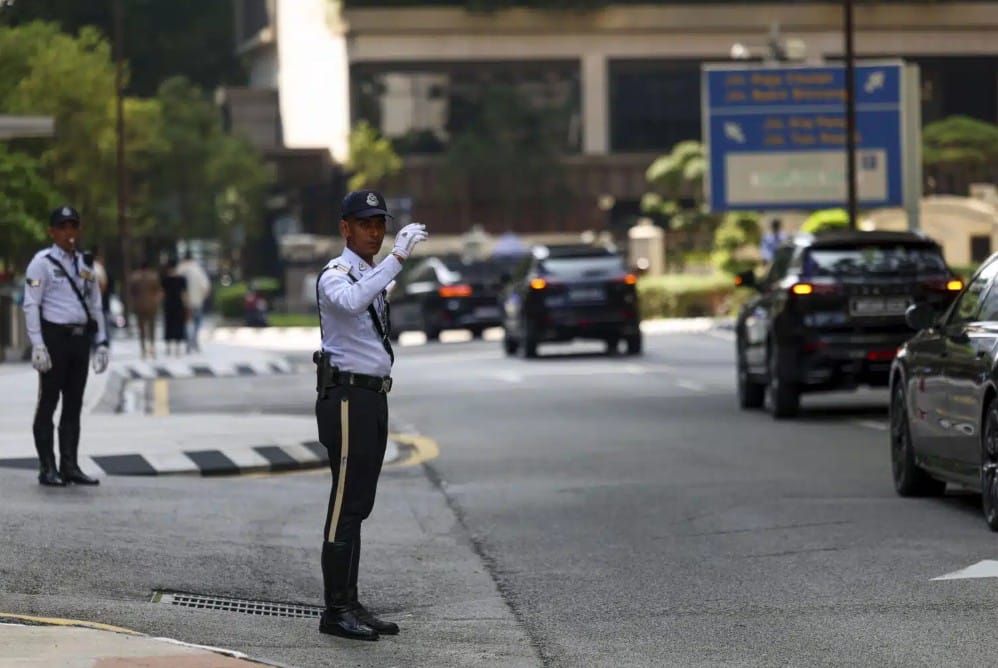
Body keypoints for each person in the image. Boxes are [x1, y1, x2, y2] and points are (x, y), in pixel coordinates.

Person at [314, 190, 427, 641]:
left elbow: (373, 297)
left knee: (359, 506)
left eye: (380, 223)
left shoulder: (369, 273)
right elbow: (354, 301)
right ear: (345, 228)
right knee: (344, 505)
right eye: (364, 224)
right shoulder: (335, 275)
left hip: (371, 398)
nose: (375, 232)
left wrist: (389, 268)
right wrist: (398, 257)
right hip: (346, 399)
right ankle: (334, 610)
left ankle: (351, 601)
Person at [22, 205, 109, 487]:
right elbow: (31, 304)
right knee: (49, 401)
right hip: (54, 337)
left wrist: (102, 342)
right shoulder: (42, 262)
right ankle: (47, 467)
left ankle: (69, 465)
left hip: (79, 339)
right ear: (52, 231)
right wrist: (37, 344)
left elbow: (96, 304)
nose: (69, 233)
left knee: (74, 403)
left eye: (73, 226)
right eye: (63, 227)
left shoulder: (85, 265)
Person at [177, 250, 210, 352]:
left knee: (184, 322)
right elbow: (205, 286)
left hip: (182, 301)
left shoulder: (179, 270)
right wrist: (203, 296)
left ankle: (188, 341)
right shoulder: (198, 269)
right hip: (197, 300)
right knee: (197, 321)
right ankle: (194, 338)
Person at [129, 260, 163, 359]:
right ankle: (152, 347)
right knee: (152, 327)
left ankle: (143, 349)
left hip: (139, 305)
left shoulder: (134, 277)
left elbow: (132, 292)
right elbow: (158, 290)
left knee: (141, 328)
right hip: (151, 305)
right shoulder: (154, 276)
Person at [160, 258, 188, 356]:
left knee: (169, 325)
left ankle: (168, 347)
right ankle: (178, 348)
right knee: (178, 325)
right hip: (178, 304)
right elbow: (184, 294)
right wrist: (186, 304)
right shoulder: (181, 279)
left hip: (168, 304)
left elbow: (162, 293)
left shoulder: (165, 280)